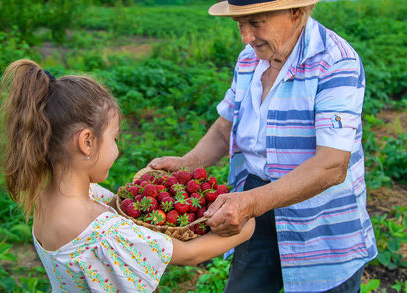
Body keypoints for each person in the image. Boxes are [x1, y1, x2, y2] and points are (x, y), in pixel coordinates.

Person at [148, 0, 378, 292]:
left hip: (319, 214)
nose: (245, 36)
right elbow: (224, 128)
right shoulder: (249, 58)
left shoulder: (335, 61)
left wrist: (251, 202)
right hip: (253, 198)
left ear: (296, 12)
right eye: (240, 24)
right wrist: (186, 163)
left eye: (256, 22)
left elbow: (331, 165)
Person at [0, 59, 254, 292]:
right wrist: (249, 224)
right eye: (114, 137)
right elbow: (189, 253)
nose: (117, 147)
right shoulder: (103, 231)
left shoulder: (44, 198)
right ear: (87, 142)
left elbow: (127, 213)